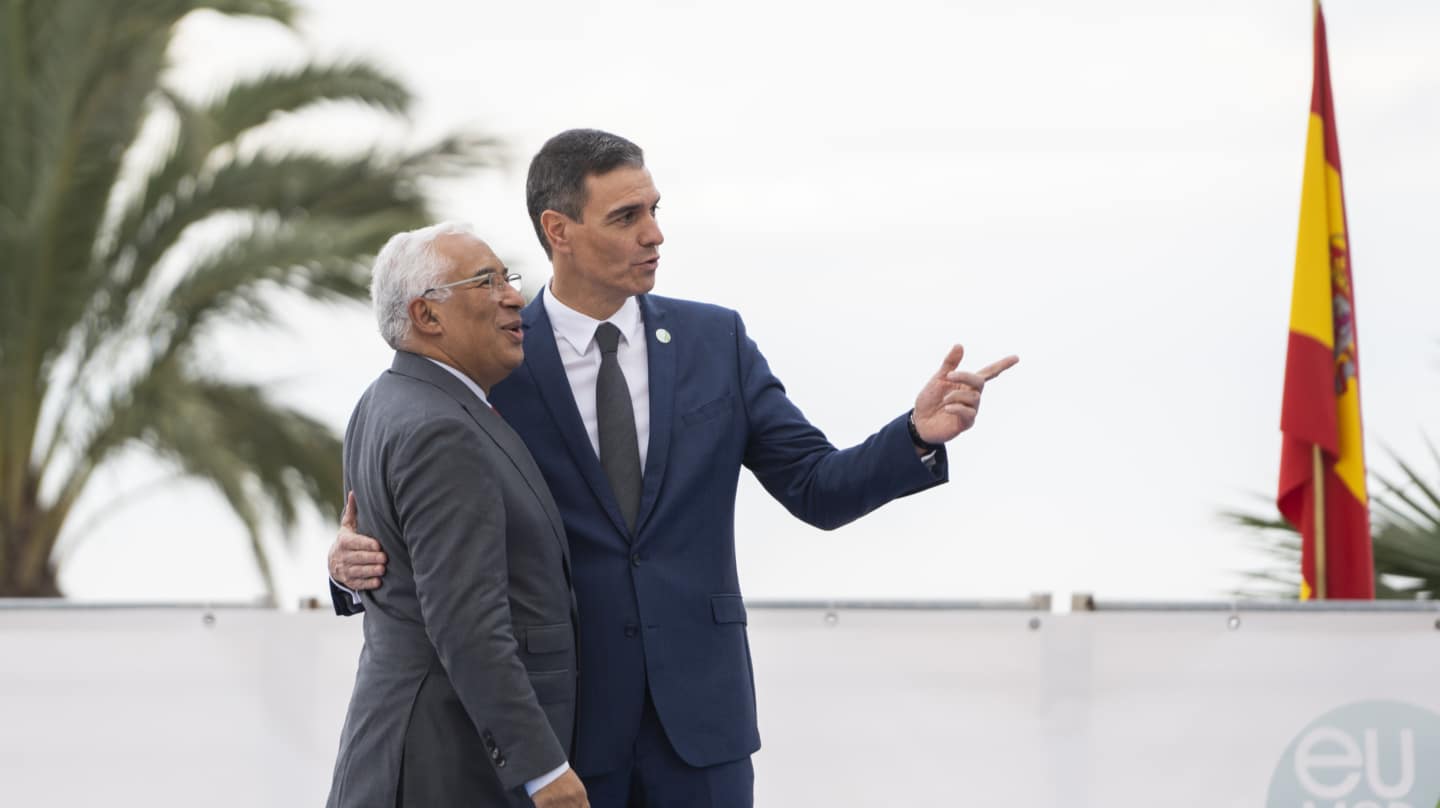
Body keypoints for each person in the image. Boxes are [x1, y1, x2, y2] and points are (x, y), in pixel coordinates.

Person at [330, 130, 1017, 807]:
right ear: (558, 230)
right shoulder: (492, 359)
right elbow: (414, 509)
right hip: (566, 730)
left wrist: (915, 436)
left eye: (655, 210)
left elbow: (816, 488)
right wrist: (344, 565)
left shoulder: (714, 342)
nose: (654, 234)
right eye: (626, 217)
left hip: (703, 732)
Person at [326, 222, 588, 808]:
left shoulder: (386, 399)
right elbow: (467, 623)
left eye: (508, 278)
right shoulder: (442, 428)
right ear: (427, 316)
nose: (513, 296)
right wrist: (542, 769)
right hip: (444, 763)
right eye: (486, 282)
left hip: (411, 753)